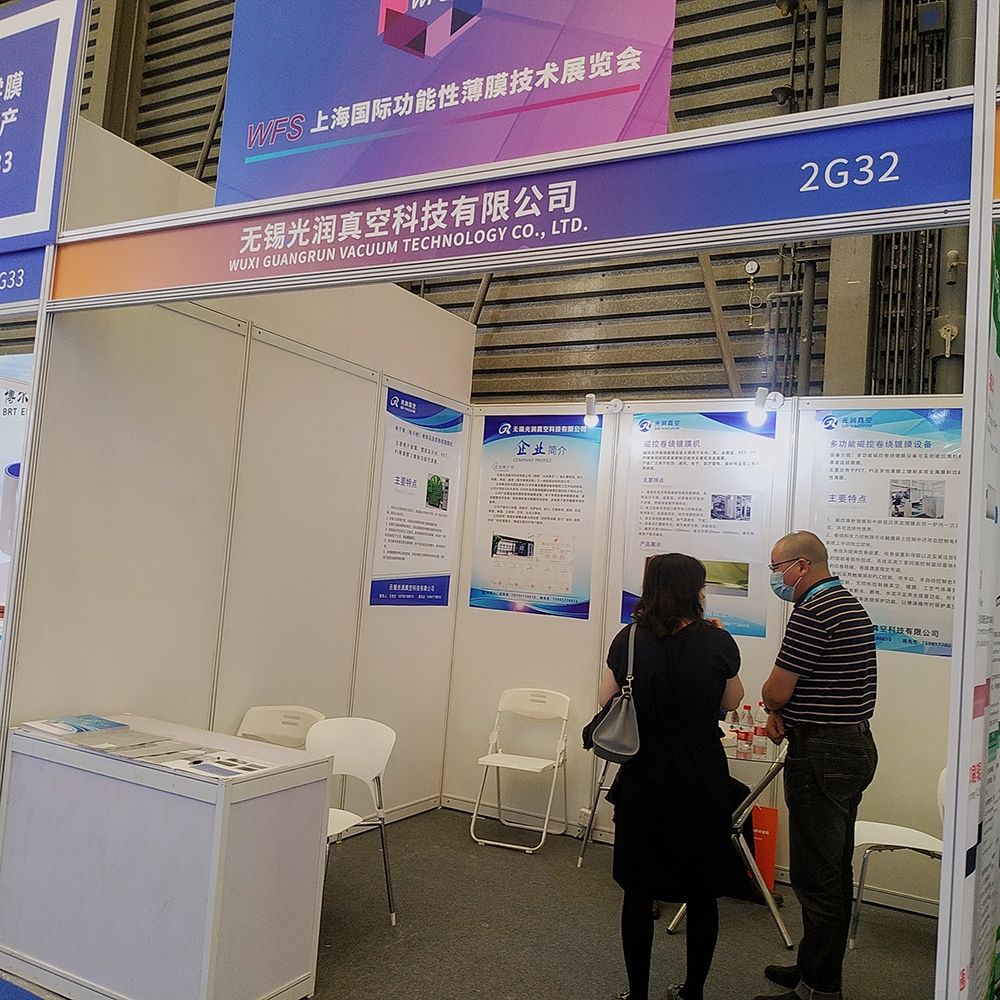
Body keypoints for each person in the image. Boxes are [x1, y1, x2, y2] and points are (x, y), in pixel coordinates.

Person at [601, 552, 744, 1000]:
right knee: (702, 892)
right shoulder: (718, 641)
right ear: (694, 591)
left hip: (644, 769)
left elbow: (605, 700)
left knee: (638, 889)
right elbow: (733, 701)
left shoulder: (629, 638)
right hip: (701, 771)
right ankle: (692, 992)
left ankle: (637, 994)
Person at [754, 531, 878, 1000]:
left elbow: (776, 689)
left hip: (822, 756)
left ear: (801, 566)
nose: (775, 578)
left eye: (776, 569)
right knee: (833, 870)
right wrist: (784, 710)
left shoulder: (813, 612)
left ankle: (820, 988)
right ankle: (815, 968)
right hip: (852, 746)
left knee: (816, 877)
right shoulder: (849, 604)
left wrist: (773, 706)